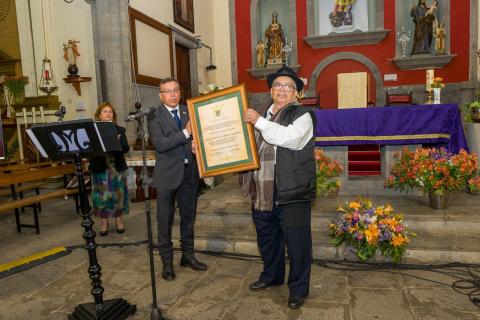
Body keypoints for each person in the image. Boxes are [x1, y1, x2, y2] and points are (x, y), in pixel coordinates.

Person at [242, 66, 316, 309]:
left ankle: (298, 289)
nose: (282, 90)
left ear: (296, 93)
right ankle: (272, 276)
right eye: (278, 86)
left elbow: (290, 139)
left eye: (288, 87)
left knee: (297, 242)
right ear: (271, 90)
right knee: (267, 238)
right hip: (261, 190)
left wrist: (259, 121)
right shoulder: (258, 115)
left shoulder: (302, 115)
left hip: (291, 189)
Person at [147, 77, 207, 281]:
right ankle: (167, 263)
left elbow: (198, 136)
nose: (172, 94)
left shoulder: (189, 110)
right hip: (166, 177)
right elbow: (161, 144)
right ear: (160, 95)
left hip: (189, 174)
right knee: (165, 221)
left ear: (180, 92)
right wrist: (185, 133)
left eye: (175, 90)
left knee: (188, 218)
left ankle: (188, 256)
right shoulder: (154, 115)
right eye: (167, 91)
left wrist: (195, 144)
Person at [89, 102, 130, 236]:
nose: (108, 114)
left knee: (118, 194)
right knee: (101, 196)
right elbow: (90, 150)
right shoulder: (93, 131)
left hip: (116, 167)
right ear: (99, 115)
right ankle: (104, 222)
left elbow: (126, 148)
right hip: (100, 167)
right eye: (105, 111)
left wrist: (117, 142)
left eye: (110, 112)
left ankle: (119, 220)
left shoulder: (120, 130)